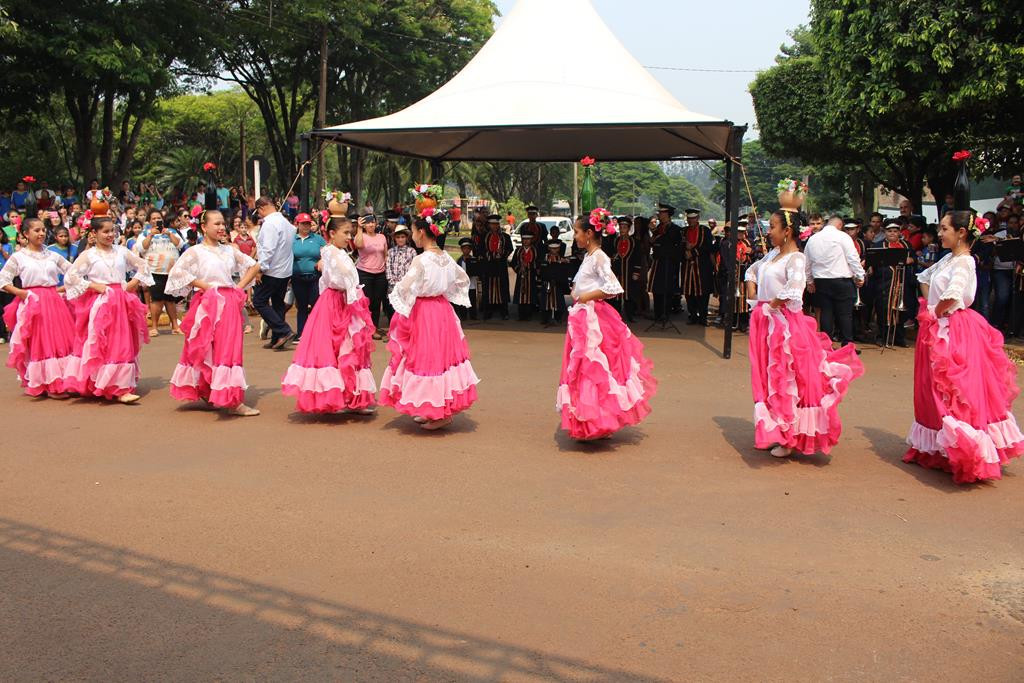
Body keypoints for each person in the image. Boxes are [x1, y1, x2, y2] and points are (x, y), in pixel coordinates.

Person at [904, 211, 1024, 483]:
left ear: (961, 233)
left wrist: (934, 312)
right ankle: (942, 447)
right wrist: (931, 309)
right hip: (939, 327)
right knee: (935, 388)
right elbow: (923, 278)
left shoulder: (965, 262)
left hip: (956, 329)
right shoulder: (948, 258)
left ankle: (966, 448)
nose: (941, 233)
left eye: (945, 228)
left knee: (957, 390)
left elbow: (954, 295)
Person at [744, 210, 864, 458]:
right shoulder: (771, 256)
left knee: (788, 378)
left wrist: (771, 305)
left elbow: (795, 290)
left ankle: (789, 436)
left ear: (787, 231)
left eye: (773, 227)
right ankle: (778, 429)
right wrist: (755, 298)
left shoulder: (796, 258)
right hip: (767, 325)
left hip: (787, 328)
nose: (769, 231)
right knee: (769, 378)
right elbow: (751, 272)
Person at [557, 210, 657, 441]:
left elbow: (614, 287)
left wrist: (586, 297)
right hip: (583, 318)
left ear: (589, 233)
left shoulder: (600, 256)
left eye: (577, 232)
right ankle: (593, 419)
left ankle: (599, 419)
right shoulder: (589, 256)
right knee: (586, 368)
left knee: (596, 368)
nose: (576, 237)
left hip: (594, 319)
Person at [379, 212, 480, 431]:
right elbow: (461, 279)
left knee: (427, 360)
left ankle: (439, 412)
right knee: (439, 359)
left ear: (421, 232)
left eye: (414, 231)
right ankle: (433, 408)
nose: (413, 235)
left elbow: (405, 286)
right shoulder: (444, 257)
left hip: (425, 312)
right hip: (442, 310)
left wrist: (401, 298)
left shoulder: (421, 259)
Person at [165, 210, 261, 417]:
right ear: (204, 227)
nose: (221, 228)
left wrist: (239, 287)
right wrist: (205, 286)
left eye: (223, 224)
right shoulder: (195, 251)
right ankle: (209, 391)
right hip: (207, 303)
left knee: (229, 348)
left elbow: (253, 265)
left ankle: (232, 399)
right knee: (204, 346)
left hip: (228, 302)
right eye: (216, 224)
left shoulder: (229, 250)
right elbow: (177, 272)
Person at [282, 216, 377, 414]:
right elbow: (341, 276)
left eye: (350, 233)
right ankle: (334, 396)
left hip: (347, 303)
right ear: (332, 234)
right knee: (333, 348)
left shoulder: (340, 252)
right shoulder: (329, 251)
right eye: (345, 233)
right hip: (334, 303)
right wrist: (352, 289)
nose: (348, 237)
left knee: (349, 348)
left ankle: (353, 396)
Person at [63, 215, 153, 403]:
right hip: (100, 303)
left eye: (112, 230)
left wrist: (133, 283)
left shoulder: (121, 251)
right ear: (94, 233)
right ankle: (97, 382)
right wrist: (93, 286)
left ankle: (120, 387)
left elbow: (143, 265)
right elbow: (71, 277)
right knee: (101, 341)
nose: (110, 234)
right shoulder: (89, 255)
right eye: (105, 231)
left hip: (121, 300)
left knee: (121, 341)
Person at [0, 218, 76, 398]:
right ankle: (48, 383)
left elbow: (73, 272)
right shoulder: (19, 257)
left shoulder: (52, 254)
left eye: (43, 230)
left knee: (60, 340)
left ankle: (62, 380)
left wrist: (61, 289)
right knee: (41, 341)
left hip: (54, 301)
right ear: (25, 234)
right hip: (32, 302)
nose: (41, 233)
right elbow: (3, 280)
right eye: (36, 230)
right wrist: (22, 293)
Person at [804, 215, 866, 347]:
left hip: (821, 280)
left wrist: (809, 280)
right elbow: (853, 257)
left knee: (826, 312)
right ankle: (847, 344)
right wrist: (860, 275)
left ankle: (827, 344)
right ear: (840, 225)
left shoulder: (813, 239)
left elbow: (807, 262)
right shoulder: (843, 237)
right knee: (845, 314)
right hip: (841, 280)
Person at [252, 196, 296, 349]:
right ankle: (277, 338)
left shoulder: (270, 224)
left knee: (258, 300)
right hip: (284, 271)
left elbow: (268, 250)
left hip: (272, 270)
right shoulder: (287, 223)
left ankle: (283, 331)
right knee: (277, 304)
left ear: (261, 208)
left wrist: (261, 269)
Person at [136, 208, 184, 337]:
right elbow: (141, 248)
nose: (157, 220)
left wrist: (169, 234)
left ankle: (175, 326)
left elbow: (180, 245)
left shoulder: (172, 231)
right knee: (156, 299)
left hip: (171, 271)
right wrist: (151, 235)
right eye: (154, 218)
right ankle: (154, 327)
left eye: (159, 218)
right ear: (149, 221)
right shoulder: (144, 233)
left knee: (170, 299)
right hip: (154, 271)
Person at [871, 220, 915, 347]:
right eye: (890, 231)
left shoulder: (906, 245)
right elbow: (872, 261)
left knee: (900, 311)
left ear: (899, 233)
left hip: (901, 282)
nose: (892, 234)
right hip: (884, 283)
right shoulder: (878, 245)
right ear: (885, 232)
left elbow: (914, 258)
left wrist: (910, 259)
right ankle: (882, 337)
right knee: (883, 309)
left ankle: (899, 338)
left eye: (895, 231)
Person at [290, 213, 326, 342]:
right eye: (303, 223)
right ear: (297, 224)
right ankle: (302, 334)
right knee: (302, 306)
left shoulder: (318, 239)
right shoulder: (291, 239)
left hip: (315, 277)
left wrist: (321, 261)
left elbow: (327, 253)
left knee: (317, 305)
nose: (306, 226)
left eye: (308, 224)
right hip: (297, 277)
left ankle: (318, 333)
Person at [353, 213, 389, 338]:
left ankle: (374, 327)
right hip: (364, 273)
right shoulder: (361, 235)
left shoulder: (382, 237)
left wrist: (386, 269)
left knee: (376, 302)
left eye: (373, 222)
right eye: (368, 222)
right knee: (366, 302)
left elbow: (385, 254)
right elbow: (358, 245)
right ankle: (364, 327)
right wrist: (359, 228)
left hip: (380, 273)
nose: (371, 225)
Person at [648, 203, 683, 322]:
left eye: (662, 213)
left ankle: (665, 313)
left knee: (667, 289)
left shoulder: (675, 229)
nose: (659, 215)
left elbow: (670, 243)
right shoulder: (658, 228)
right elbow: (654, 241)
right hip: (658, 261)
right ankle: (657, 313)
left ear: (668, 215)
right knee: (657, 288)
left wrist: (657, 235)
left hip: (669, 263)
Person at [477, 214, 513, 320]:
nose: (494, 226)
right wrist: (489, 254)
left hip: (500, 265)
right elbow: (480, 250)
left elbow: (510, 248)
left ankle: (504, 312)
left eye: (496, 224)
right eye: (492, 224)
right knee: (488, 288)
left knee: (502, 288)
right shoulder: (484, 236)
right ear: (489, 225)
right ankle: (488, 311)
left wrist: (502, 253)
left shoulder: (505, 237)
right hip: (489, 266)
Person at [612, 215, 645, 322]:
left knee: (629, 294)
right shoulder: (616, 240)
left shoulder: (634, 242)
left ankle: (629, 315)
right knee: (616, 295)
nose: (622, 230)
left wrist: (636, 272)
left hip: (629, 272)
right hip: (618, 271)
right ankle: (616, 316)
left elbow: (637, 258)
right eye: (620, 227)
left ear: (629, 229)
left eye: (624, 227)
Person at [510, 232, 541, 320]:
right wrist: (518, 269)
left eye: (528, 239)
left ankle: (528, 315)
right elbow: (513, 263)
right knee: (521, 295)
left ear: (531, 240)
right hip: (521, 276)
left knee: (530, 295)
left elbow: (538, 263)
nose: (526, 241)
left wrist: (529, 267)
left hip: (531, 275)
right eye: (524, 239)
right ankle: (521, 315)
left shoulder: (535, 250)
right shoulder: (518, 250)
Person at [539, 238, 570, 325]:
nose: (554, 250)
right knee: (546, 301)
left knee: (558, 301)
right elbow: (542, 271)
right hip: (547, 283)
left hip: (558, 284)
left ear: (559, 249)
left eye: (556, 248)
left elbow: (564, 272)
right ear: (549, 248)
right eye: (552, 248)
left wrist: (558, 279)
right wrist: (548, 278)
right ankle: (545, 318)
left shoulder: (562, 259)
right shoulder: (544, 258)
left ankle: (558, 318)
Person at [455, 237, 478, 321]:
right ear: (461, 249)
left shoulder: (474, 260)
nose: (466, 250)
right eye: (464, 248)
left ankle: (473, 315)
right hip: (462, 284)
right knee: (463, 299)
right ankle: (463, 315)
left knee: (472, 299)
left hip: (471, 283)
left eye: (468, 248)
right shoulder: (459, 261)